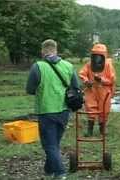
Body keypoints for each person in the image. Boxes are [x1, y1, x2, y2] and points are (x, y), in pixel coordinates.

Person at [26, 39, 79, 178]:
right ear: (56, 50)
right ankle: (49, 169)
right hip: (64, 111)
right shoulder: (68, 66)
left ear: (42, 51)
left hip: (46, 110)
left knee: (49, 144)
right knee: (54, 142)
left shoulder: (37, 67)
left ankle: (60, 172)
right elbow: (76, 87)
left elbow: (30, 89)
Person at [79, 43, 116, 136]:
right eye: (96, 55)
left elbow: (112, 79)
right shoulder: (89, 64)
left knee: (104, 109)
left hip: (104, 90)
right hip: (91, 90)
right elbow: (82, 73)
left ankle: (102, 129)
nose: (98, 58)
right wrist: (87, 81)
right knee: (90, 108)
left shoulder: (108, 65)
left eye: (100, 55)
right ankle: (90, 130)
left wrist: (101, 80)